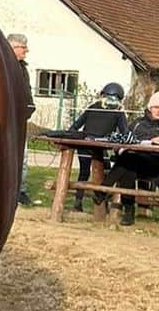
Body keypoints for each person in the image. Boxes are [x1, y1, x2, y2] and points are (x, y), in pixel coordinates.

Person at [66, 83, 128, 212]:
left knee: (84, 172)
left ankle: (79, 201)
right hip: (99, 146)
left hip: (85, 143)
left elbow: (76, 125)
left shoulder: (93, 107)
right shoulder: (118, 112)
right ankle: (102, 202)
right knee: (107, 172)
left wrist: (73, 136)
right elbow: (125, 132)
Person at [105, 92, 159, 225]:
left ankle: (103, 189)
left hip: (155, 165)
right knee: (128, 167)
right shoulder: (137, 123)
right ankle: (128, 212)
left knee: (128, 161)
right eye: (157, 107)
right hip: (136, 163)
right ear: (150, 107)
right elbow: (125, 138)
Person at [6, 35, 36, 205]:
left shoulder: (23, 69)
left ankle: (20, 191)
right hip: (7, 118)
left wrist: (29, 106)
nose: (26, 51)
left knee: (22, 157)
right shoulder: (4, 64)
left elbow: (26, 91)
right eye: (23, 47)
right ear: (13, 47)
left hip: (20, 118)